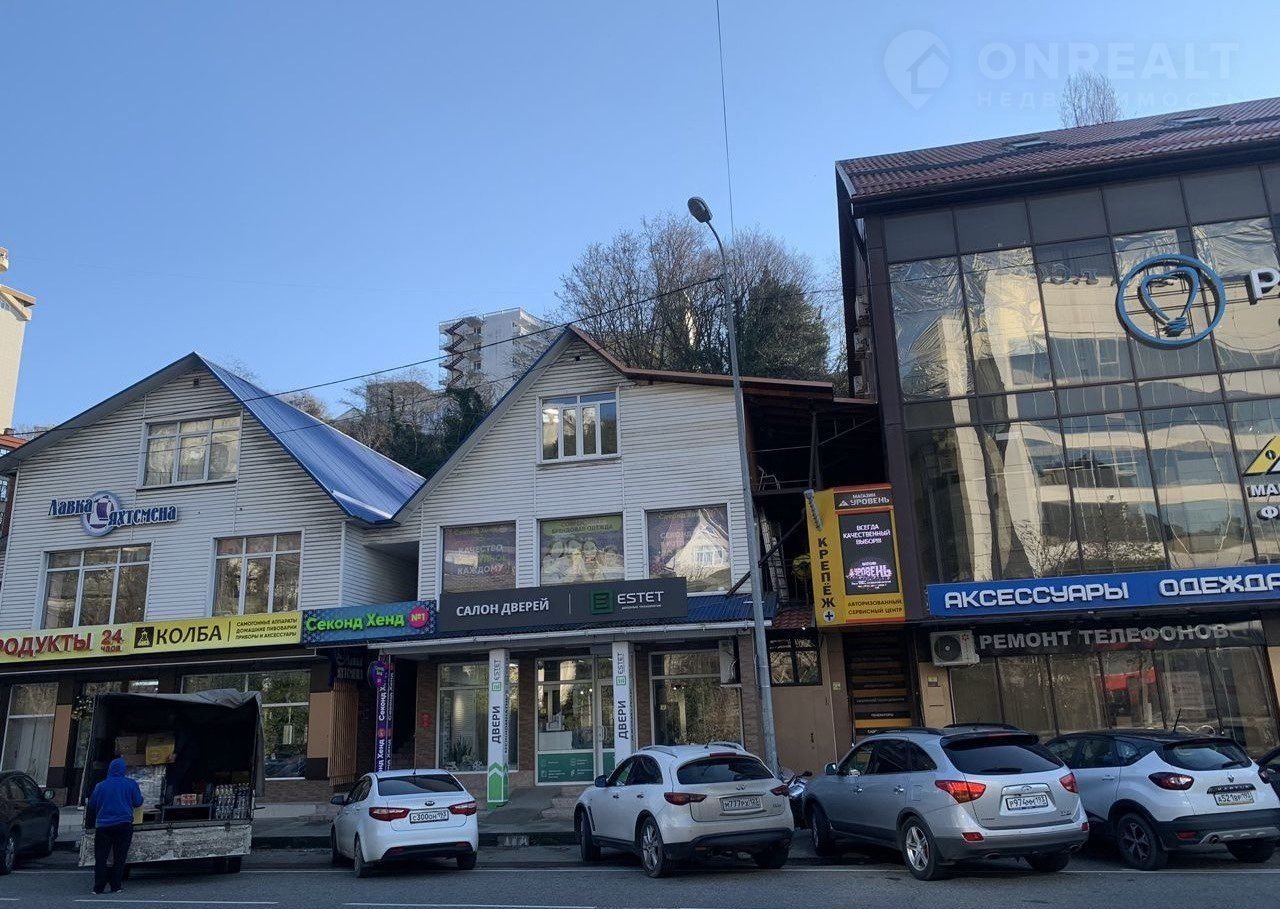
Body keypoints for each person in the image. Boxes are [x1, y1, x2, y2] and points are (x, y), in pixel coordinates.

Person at [86, 757, 143, 894]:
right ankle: (116, 885)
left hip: (103, 825)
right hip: (124, 824)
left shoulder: (100, 786)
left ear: (110, 769)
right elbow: (138, 802)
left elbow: (92, 804)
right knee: (120, 856)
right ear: (123, 770)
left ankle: (98, 887)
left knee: (101, 857)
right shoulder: (130, 784)